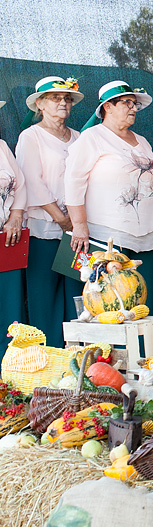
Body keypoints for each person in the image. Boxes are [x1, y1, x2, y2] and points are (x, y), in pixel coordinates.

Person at [65, 80, 153, 313]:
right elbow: (73, 181)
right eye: (127, 103)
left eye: (135, 104)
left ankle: (144, 350)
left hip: (147, 235)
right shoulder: (91, 137)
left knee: (142, 301)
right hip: (109, 234)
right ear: (107, 107)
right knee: (113, 300)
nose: (133, 108)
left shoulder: (143, 141)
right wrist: (79, 225)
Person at [15, 76, 85, 342]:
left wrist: (77, 223)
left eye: (67, 98)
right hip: (44, 229)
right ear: (40, 105)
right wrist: (61, 218)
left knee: (77, 297)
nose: (63, 103)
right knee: (44, 299)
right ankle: (49, 364)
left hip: (77, 233)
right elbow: (30, 181)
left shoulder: (79, 138)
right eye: (55, 98)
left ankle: (79, 362)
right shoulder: (30, 136)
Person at [0, 101, 27, 345]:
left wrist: (16, 216)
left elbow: (20, 183)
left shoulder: (1, 147)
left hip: (6, 240)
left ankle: (9, 375)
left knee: (9, 315)